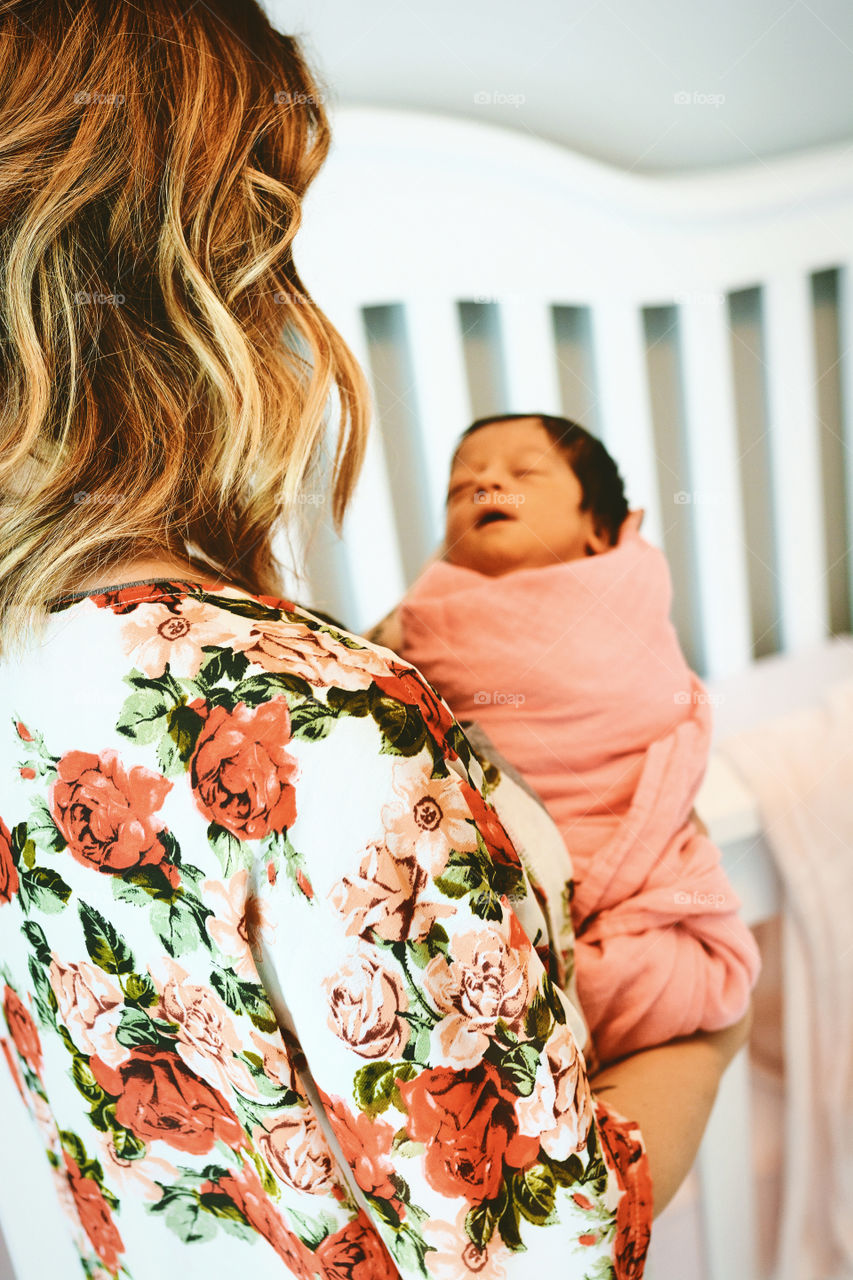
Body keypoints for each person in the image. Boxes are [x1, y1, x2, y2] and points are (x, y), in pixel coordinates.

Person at [0, 5, 750, 1279]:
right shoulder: (340, 729)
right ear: (222, 297)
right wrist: (702, 1046)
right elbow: (557, 1255)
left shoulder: (29, 660)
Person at [373, 414, 761, 1067]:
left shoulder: (626, 581)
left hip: (624, 844)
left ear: (600, 530)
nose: (486, 481)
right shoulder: (424, 612)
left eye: (522, 472)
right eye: (459, 484)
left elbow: (645, 707)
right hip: (516, 869)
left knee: (677, 966)